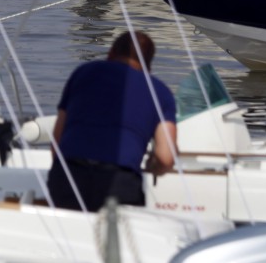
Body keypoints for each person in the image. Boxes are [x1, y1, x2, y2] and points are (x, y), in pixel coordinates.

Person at [46, 31, 177, 211]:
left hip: (68, 176)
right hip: (120, 182)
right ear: (149, 66)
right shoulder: (160, 92)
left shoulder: (83, 73)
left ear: (110, 53)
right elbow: (166, 158)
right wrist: (153, 166)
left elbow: (57, 142)